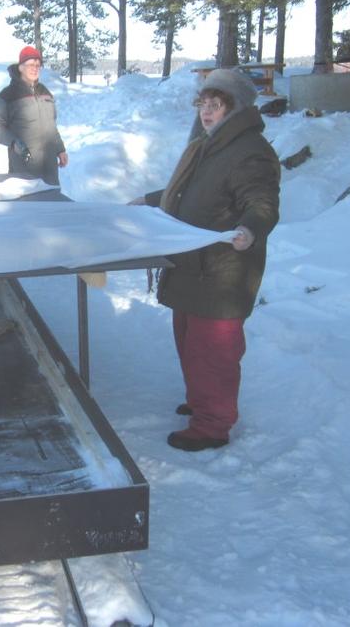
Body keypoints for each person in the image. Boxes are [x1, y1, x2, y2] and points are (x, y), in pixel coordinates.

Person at [130, 68, 280, 452]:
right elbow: (189, 191)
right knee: (189, 340)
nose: (206, 113)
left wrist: (250, 228)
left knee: (213, 352)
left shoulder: (250, 151)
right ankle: (201, 401)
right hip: (193, 266)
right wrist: (149, 200)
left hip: (222, 270)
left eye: (216, 106)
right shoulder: (208, 144)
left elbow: (261, 200)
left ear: (236, 108)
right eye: (203, 105)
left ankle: (213, 424)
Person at [0, 45, 68, 186]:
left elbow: (51, 126)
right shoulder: (6, 96)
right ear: (20, 67)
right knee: (28, 204)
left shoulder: (45, 92)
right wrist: (14, 142)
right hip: (23, 167)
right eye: (30, 64)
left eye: (38, 65)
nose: (35, 68)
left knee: (53, 202)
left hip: (50, 168)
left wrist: (60, 149)